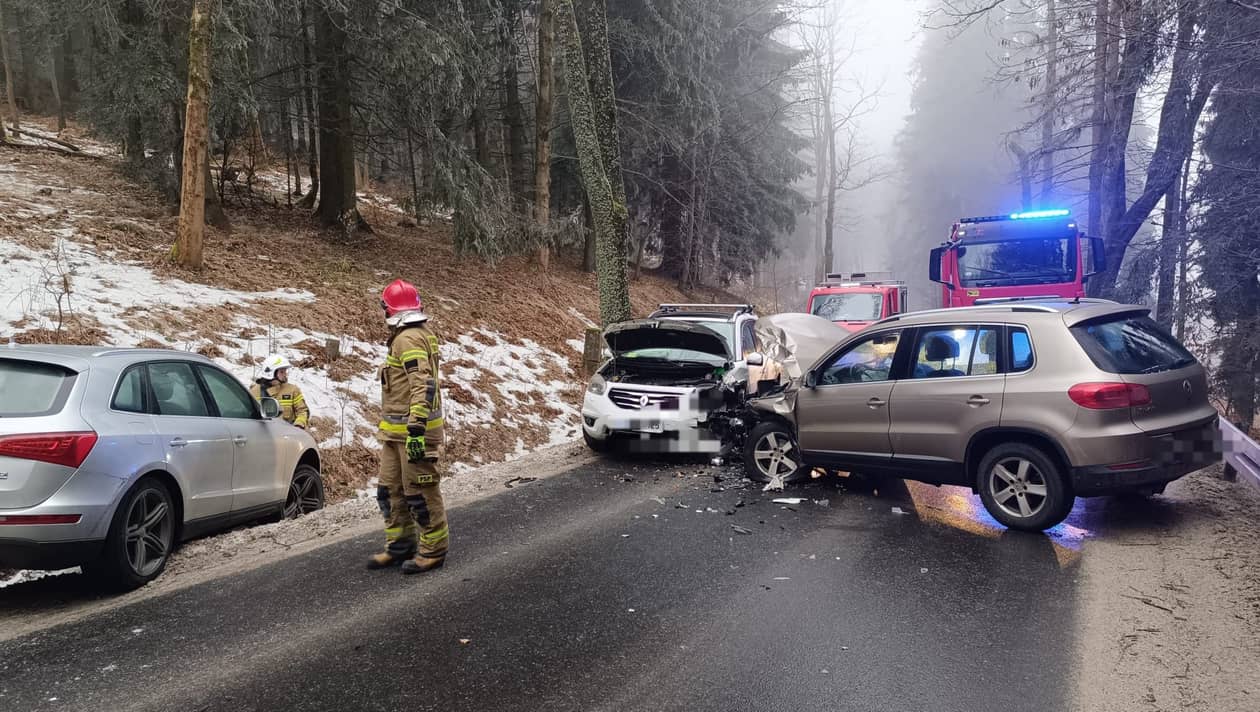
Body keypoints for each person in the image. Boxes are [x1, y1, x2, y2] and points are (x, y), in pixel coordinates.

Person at [367, 279, 449, 575]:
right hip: (394, 433)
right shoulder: (412, 335)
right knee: (390, 491)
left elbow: (422, 384)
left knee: (420, 494)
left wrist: (416, 428)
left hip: (414, 434)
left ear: (388, 309)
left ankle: (433, 550)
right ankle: (400, 545)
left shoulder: (408, 339)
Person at [249, 354, 309, 428]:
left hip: (287, 435)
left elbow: (303, 411)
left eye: (285, 371)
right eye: (282, 372)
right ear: (271, 373)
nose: (285, 374)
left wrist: (298, 425)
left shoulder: (292, 390)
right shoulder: (254, 392)